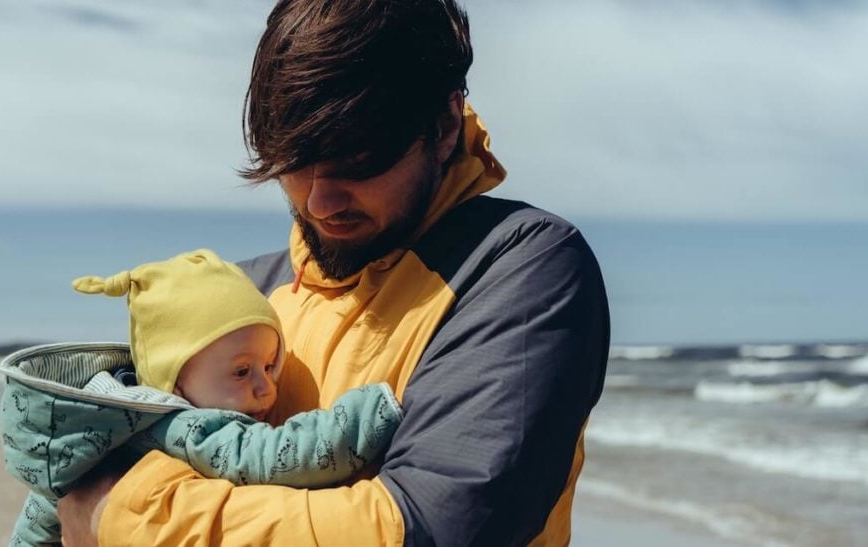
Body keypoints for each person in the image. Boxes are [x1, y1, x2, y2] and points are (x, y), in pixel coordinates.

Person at [58, 1, 610, 545]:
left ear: (443, 125)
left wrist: (122, 514)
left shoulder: (518, 266)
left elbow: (430, 526)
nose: (320, 202)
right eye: (293, 164)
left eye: (358, 161)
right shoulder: (243, 296)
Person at [0, 250, 401, 546]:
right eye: (242, 372)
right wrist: (373, 411)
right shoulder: (189, 427)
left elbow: (36, 521)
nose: (266, 388)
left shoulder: (101, 427)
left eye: (270, 365)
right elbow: (282, 456)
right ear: (174, 382)